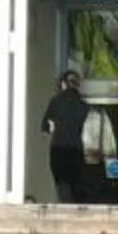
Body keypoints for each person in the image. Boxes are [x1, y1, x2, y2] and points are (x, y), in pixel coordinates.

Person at [42, 70, 92, 204]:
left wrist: (53, 126)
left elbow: (45, 126)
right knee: (75, 184)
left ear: (63, 84)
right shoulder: (84, 106)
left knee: (62, 186)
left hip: (58, 148)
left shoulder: (56, 102)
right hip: (76, 149)